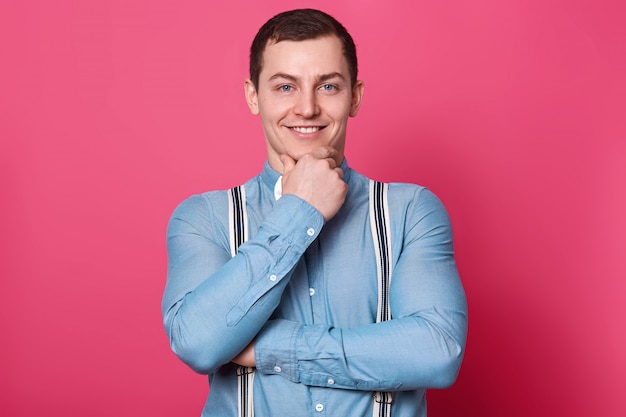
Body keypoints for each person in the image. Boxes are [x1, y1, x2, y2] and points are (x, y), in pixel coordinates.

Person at [162, 8, 467, 417]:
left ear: (354, 96)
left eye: (327, 86)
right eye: (285, 87)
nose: (306, 108)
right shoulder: (203, 219)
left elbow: (437, 352)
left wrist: (269, 347)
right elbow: (198, 343)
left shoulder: (410, 211)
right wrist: (300, 210)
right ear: (254, 96)